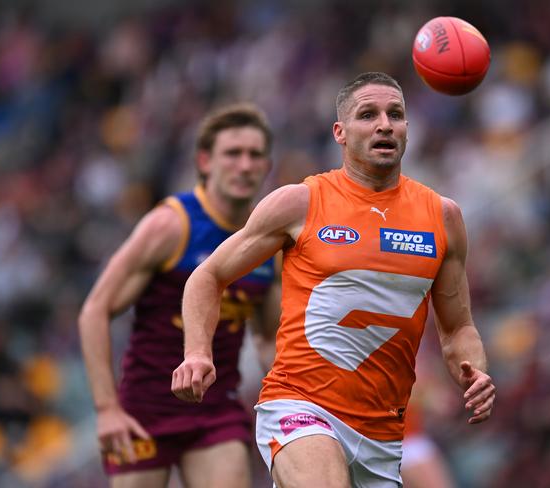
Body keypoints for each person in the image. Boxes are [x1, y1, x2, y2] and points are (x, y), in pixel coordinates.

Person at [171, 72, 496, 487]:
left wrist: (475, 371)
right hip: (300, 405)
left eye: (395, 114)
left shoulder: (443, 217)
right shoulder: (301, 202)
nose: (384, 124)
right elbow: (208, 274)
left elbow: (458, 327)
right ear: (340, 133)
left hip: (383, 436)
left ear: (407, 129)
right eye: (368, 115)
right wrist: (197, 352)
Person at [78, 103, 280, 488]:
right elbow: (94, 311)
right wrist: (106, 409)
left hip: (217, 412)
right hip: (143, 412)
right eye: (232, 154)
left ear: (267, 166)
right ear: (204, 161)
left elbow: (268, 337)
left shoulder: (269, 239)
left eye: (255, 155)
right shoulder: (170, 225)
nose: (244, 165)